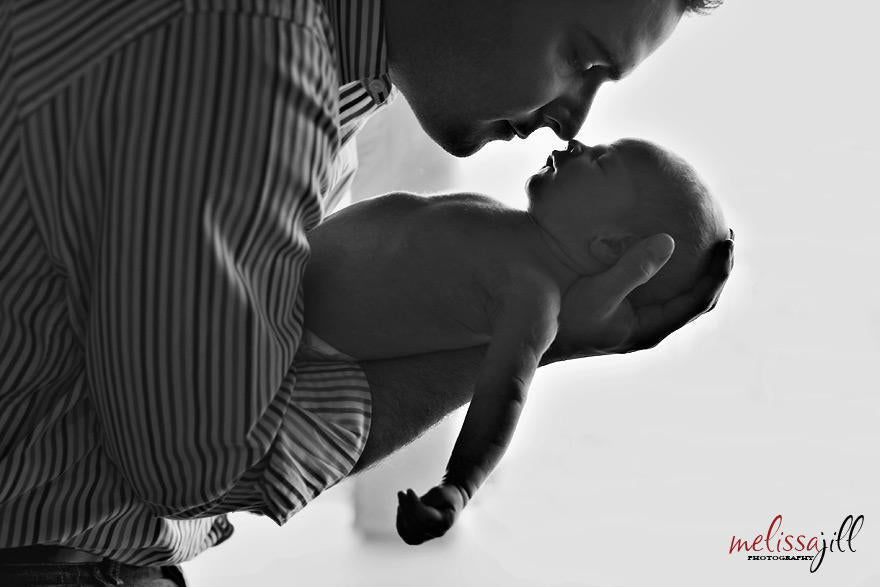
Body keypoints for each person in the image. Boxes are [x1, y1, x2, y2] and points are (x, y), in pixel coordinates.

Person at [0, 0, 733, 584]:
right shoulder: (252, 52)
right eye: (582, 56)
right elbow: (189, 467)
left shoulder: (315, 70)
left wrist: (464, 470)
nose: (573, 121)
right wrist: (555, 340)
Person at [300, 137, 728, 544]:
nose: (579, 144)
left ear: (609, 245)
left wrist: (457, 487)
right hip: (285, 277)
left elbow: (504, 395)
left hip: (292, 331)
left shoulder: (532, 296)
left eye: (601, 160)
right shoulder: (514, 233)